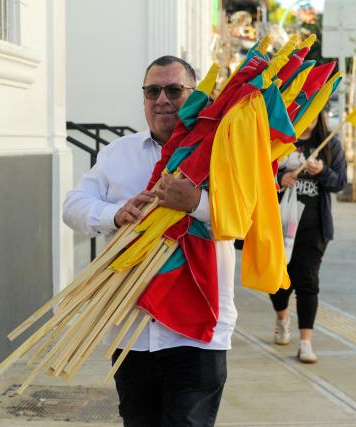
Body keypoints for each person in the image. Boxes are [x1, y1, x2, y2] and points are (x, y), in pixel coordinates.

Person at [62, 56, 236, 427]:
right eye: (152, 91)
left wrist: (195, 204)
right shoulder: (116, 153)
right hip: (132, 331)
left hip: (198, 333)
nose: (162, 99)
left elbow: (247, 220)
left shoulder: (224, 153)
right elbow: (73, 206)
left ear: (194, 96)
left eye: (174, 90)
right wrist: (115, 214)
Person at [270, 112, 347, 363]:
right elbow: (257, 176)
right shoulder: (280, 140)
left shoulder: (329, 144)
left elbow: (339, 183)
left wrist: (322, 171)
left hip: (313, 229)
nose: (311, 119)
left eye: (316, 113)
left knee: (308, 281)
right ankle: (282, 318)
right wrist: (280, 179)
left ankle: (306, 342)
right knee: (280, 282)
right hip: (279, 226)